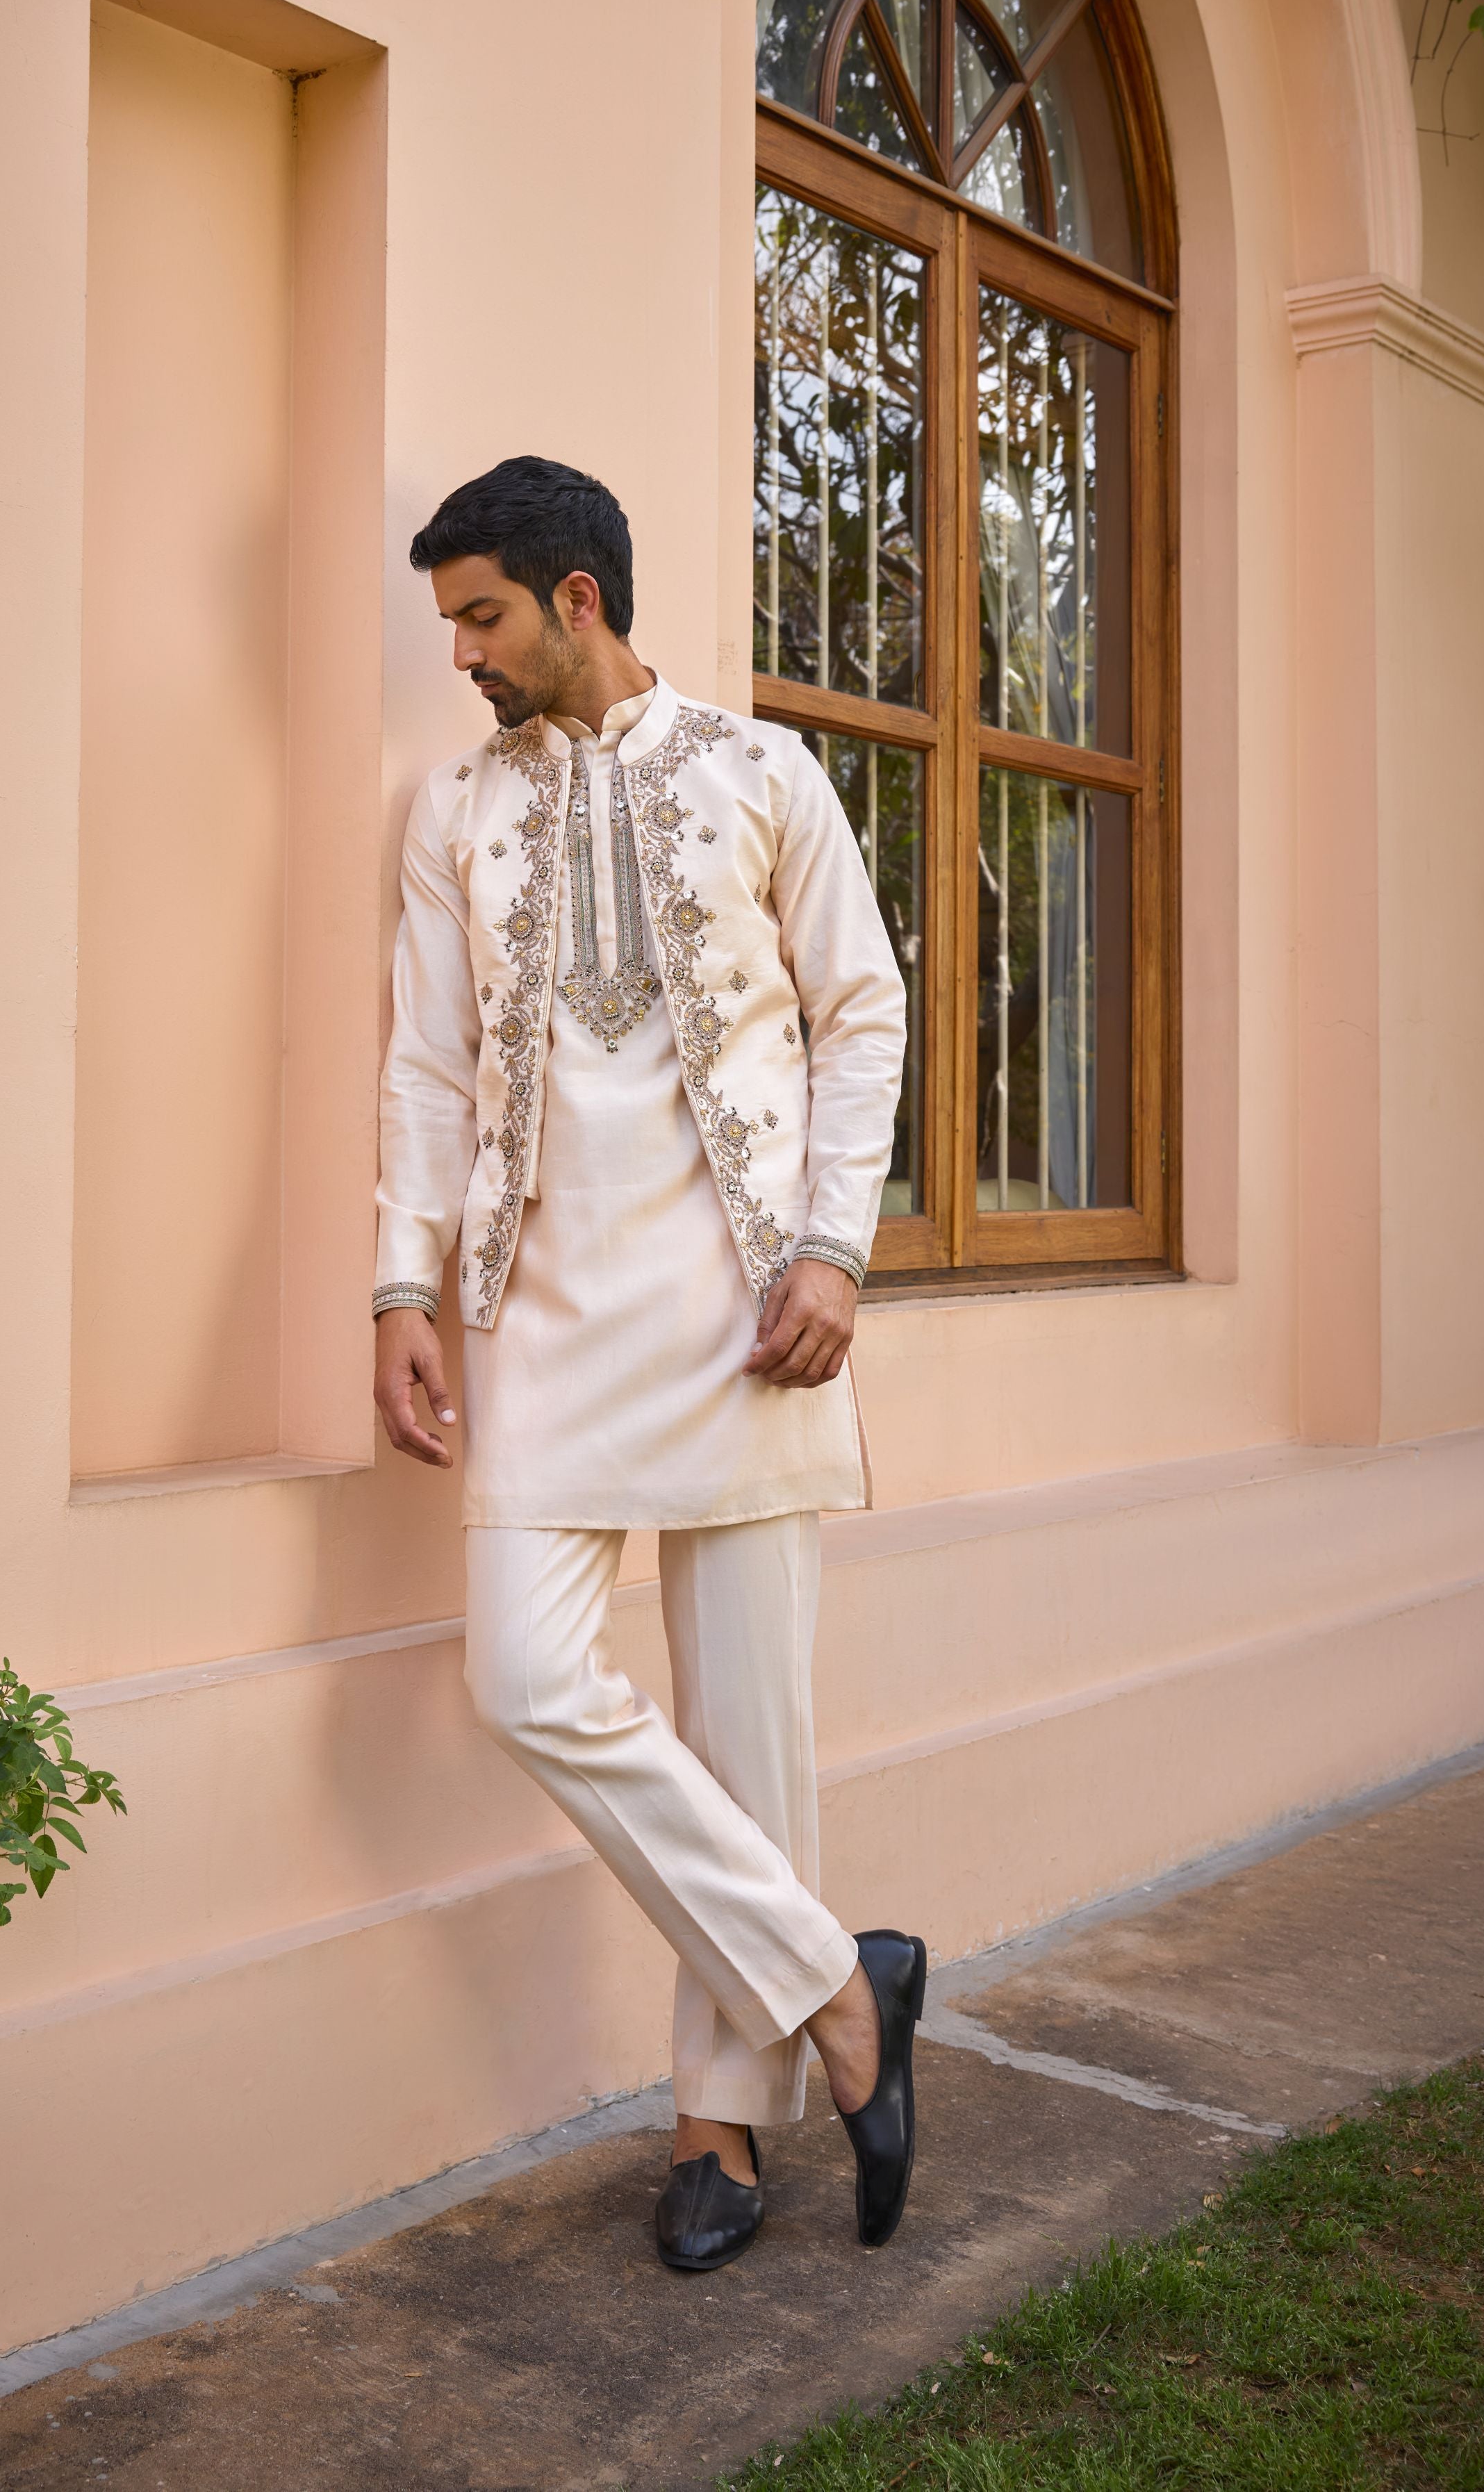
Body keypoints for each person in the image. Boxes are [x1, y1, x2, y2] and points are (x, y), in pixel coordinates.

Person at [372, 454, 925, 2273]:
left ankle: (719, 2124)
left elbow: (862, 1013)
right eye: (450, 622)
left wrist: (834, 1245)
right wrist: (402, 1289)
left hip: (747, 1313)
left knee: (751, 1734)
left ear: (578, 598)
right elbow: (429, 1065)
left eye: (481, 616)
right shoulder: (457, 811)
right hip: (540, 1314)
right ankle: (838, 1986)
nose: (461, 652)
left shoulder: (762, 773)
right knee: (529, 1677)